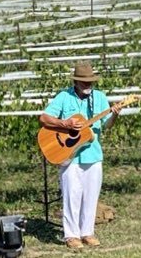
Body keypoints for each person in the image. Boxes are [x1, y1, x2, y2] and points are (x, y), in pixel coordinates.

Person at [39, 61, 122, 249]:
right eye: (84, 82)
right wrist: (65, 124)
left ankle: (87, 232)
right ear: (76, 82)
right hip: (70, 156)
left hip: (93, 154)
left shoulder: (99, 98)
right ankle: (71, 235)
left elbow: (107, 125)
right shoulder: (64, 97)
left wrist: (116, 114)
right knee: (71, 196)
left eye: (90, 82)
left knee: (91, 196)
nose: (87, 86)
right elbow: (44, 118)